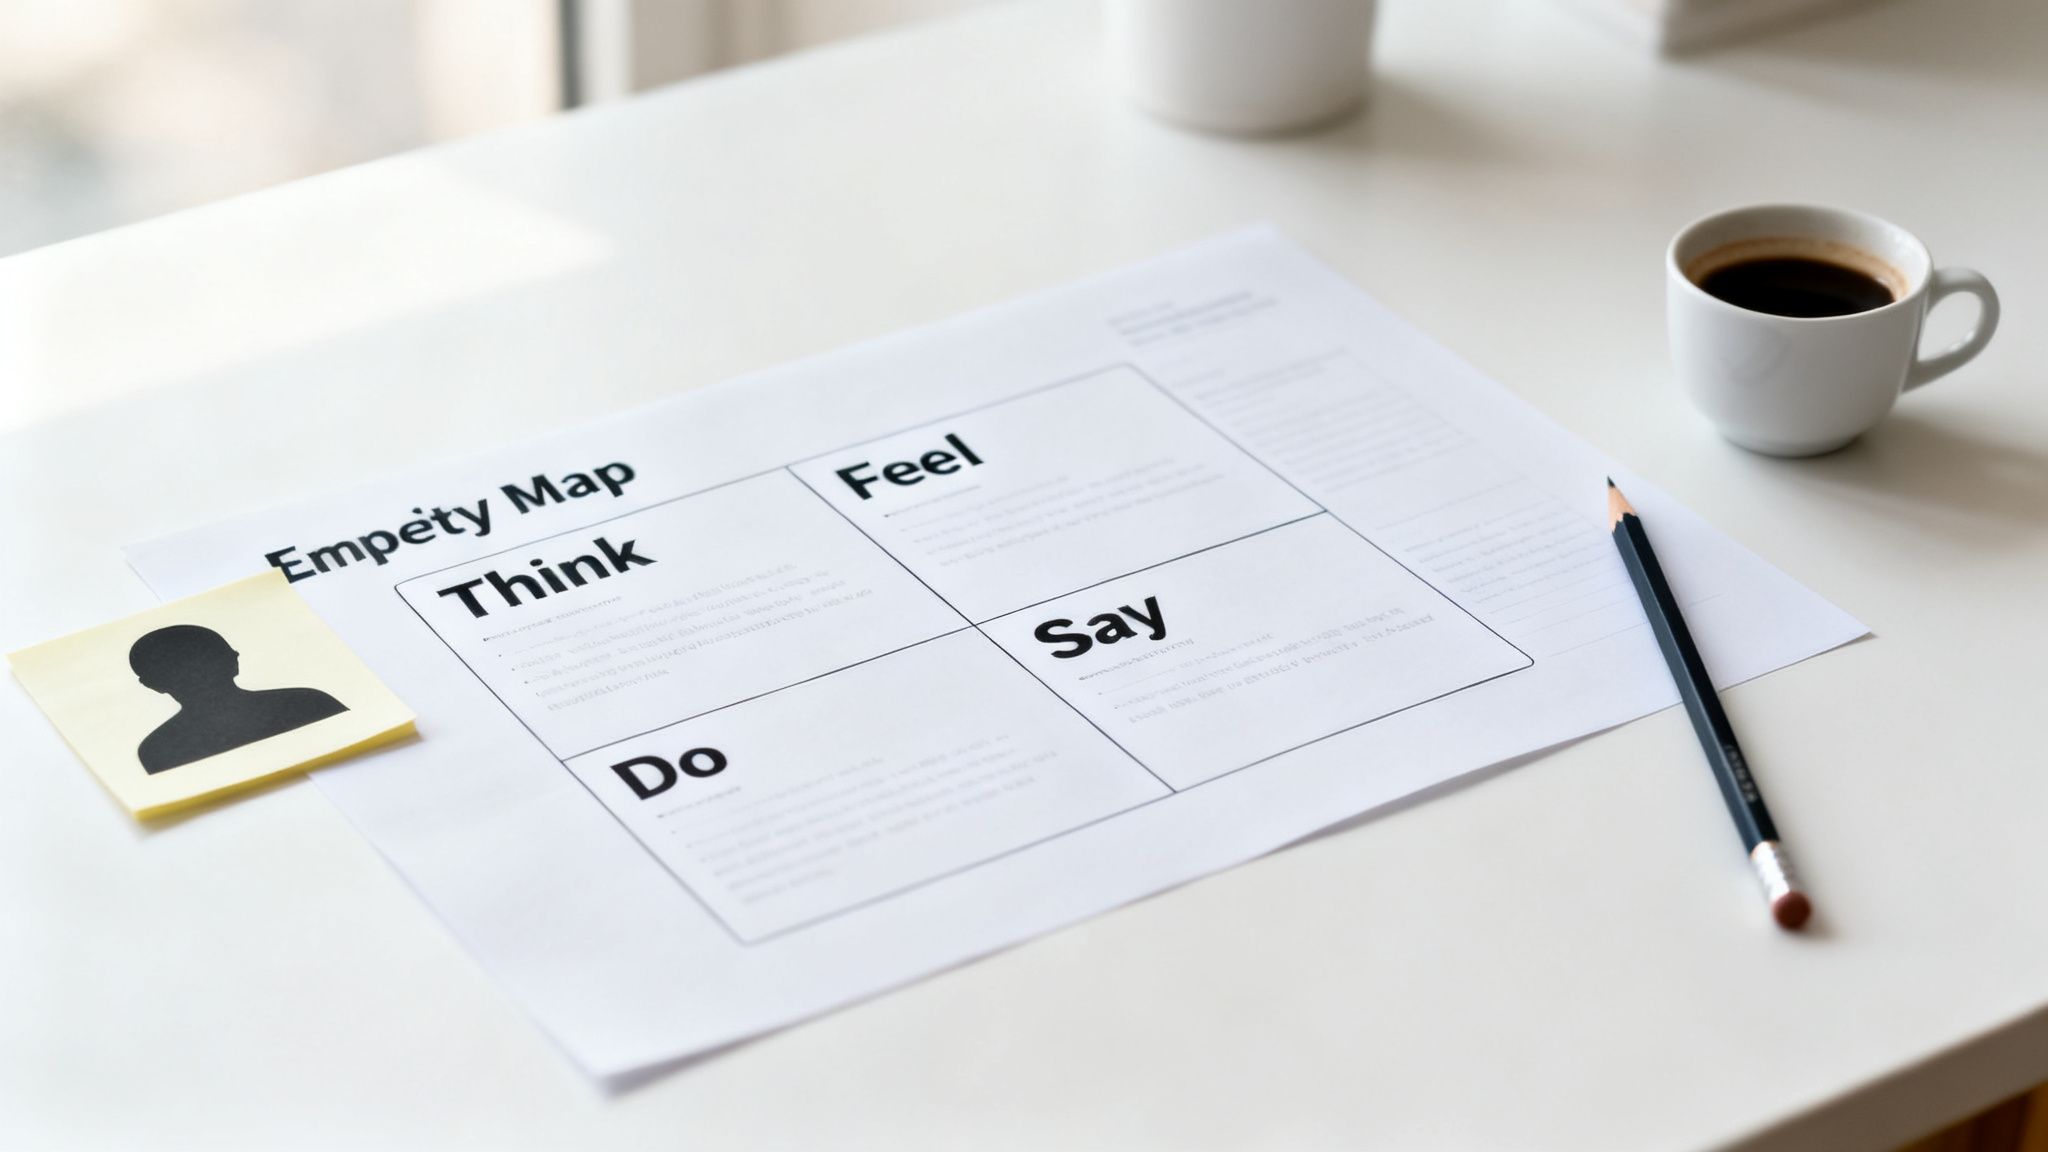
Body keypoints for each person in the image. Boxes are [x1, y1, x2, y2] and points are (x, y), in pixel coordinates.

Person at [129, 624, 347, 774]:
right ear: (232, 660)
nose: (236, 655)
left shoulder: (158, 748)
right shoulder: (309, 702)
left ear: (153, 684)